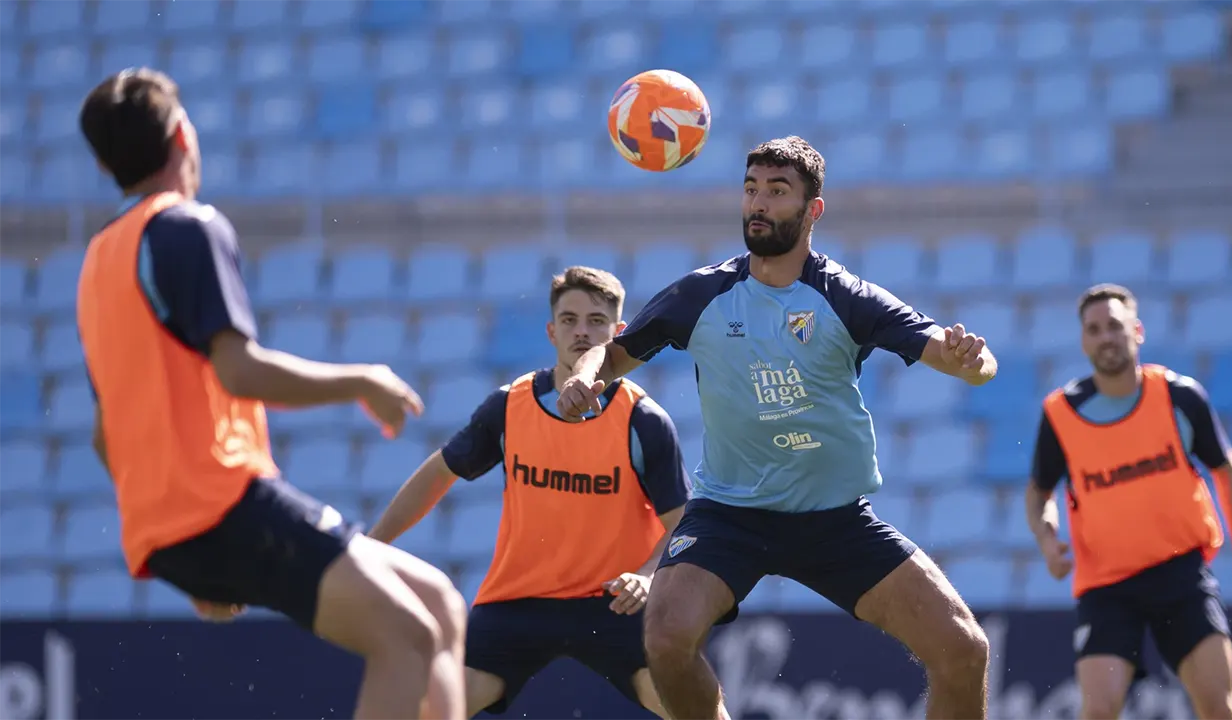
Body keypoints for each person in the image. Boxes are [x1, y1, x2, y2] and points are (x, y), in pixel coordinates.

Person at [557, 136, 999, 720]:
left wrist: (972, 361)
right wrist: (583, 376)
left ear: (814, 209)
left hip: (834, 520)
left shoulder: (844, 296)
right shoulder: (702, 293)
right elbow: (611, 354)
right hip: (728, 514)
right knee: (665, 639)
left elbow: (957, 355)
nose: (758, 203)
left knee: (964, 650)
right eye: (751, 189)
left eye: (777, 191)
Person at [76, 68, 466, 720]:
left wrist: (185, 549)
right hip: (217, 502)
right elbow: (240, 372)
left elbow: (103, 433)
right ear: (182, 135)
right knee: (406, 638)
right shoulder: (187, 227)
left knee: (439, 607)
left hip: (173, 527)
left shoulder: (97, 261)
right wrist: (361, 379)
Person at [369, 266, 689, 718]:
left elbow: (682, 524)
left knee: (695, 705)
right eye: (569, 320)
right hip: (519, 600)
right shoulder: (509, 406)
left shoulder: (644, 420)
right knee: (431, 710)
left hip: (614, 600)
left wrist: (648, 577)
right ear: (551, 331)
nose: (582, 332)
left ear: (618, 333)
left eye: (596, 321)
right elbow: (438, 474)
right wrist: (370, 546)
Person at [1025, 283, 1232, 720]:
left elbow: (1227, 471)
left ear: (1137, 331)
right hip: (1106, 587)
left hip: (1180, 573)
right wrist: (1048, 541)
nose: (1106, 337)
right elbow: (1039, 492)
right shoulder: (1061, 413)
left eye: (1114, 326)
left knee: (1221, 707)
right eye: (1094, 330)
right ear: (1083, 341)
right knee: (1098, 711)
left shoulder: (1179, 397)